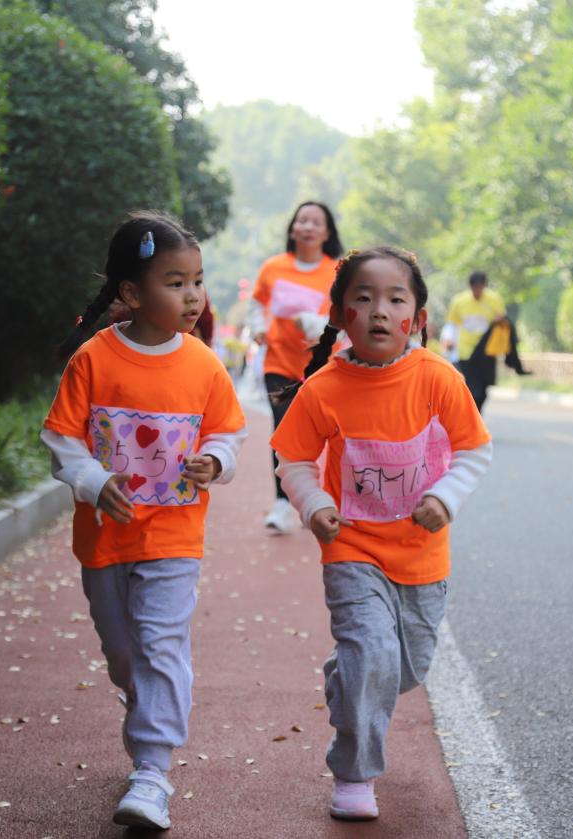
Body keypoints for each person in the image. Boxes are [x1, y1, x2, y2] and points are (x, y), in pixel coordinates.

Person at [270, 247, 492, 821]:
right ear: (343, 314)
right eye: (363, 299)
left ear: (416, 317)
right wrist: (315, 504)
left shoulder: (438, 377)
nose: (379, 310)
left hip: (422, 555)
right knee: (372, 651)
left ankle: (349, 674)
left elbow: (473, 450)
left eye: (396, 299)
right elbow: (292, 458)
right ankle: (355, 773)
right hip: (351, 546)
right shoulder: (323, 388)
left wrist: (445, 498)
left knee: (407, 669)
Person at [42, 211, 247, 830]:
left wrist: (215, 460)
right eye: (175, 282)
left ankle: (152, 772)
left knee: (160, 644)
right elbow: (61, 440)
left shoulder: (205, 365)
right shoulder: (94, 359)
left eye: (198, 281)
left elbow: (228, 434)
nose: (192, 297)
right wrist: (94, 481)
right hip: (104, 540)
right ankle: (145, 700)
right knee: (124, 655)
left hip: (174, 538)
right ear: (131, 293)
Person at [247, 201, 344, 533]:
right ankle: (283, 504)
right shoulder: (273, 267)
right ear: (292, 228)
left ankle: (318, 497)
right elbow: (257, 304)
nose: (308, 226)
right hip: (279, 363)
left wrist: (316, 325)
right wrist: (258, 326)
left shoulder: (336, 272)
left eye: (316, 222)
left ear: (327, 232)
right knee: (283, 434)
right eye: (302, 220)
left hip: (324, 368)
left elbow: (344, 318)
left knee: (328, 435)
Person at [446, 271, 507, 412]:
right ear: (470, 286)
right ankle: (470, 417)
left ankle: (475, 415)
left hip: (487, 350)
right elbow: (452, 324)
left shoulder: (494, 299)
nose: (477, 292)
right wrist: (449, 340)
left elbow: (502, 323)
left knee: (484, 390)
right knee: (473, 389)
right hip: (466, 351)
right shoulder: (459, 301)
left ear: (485, 286)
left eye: (480, 288)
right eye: (475, 288)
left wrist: (501, 321)